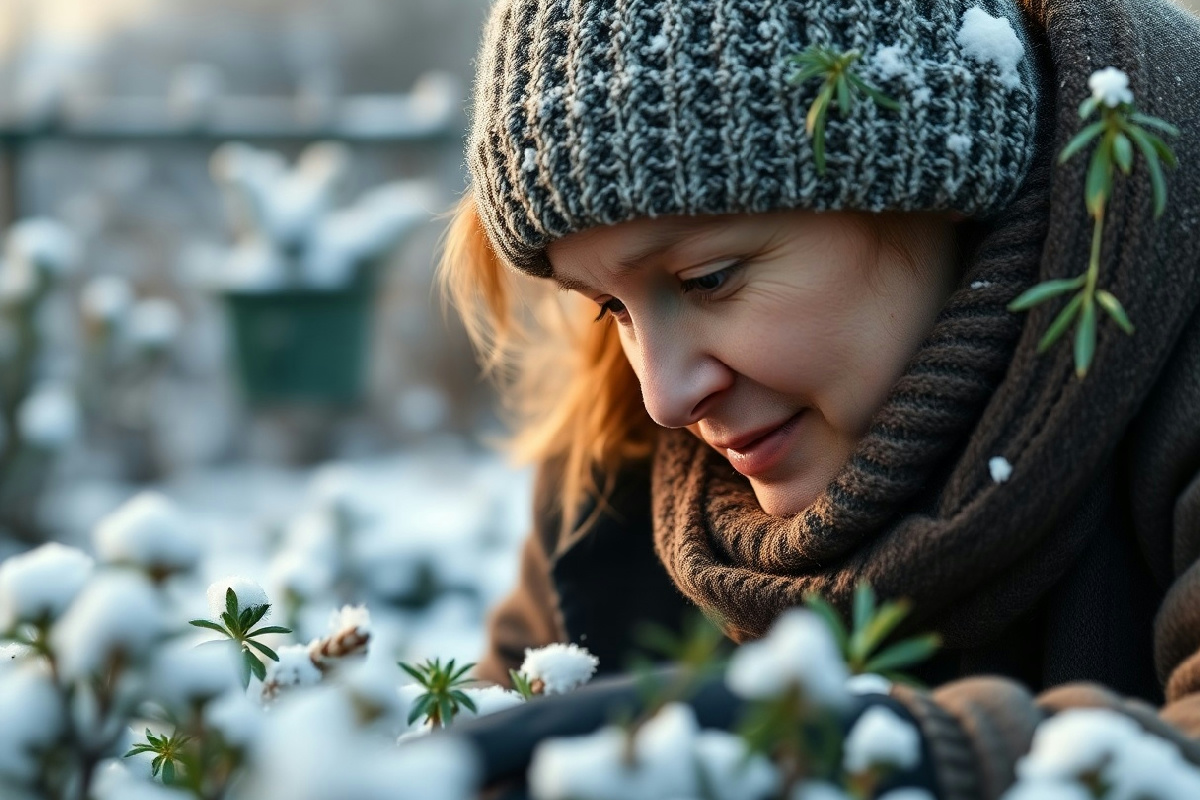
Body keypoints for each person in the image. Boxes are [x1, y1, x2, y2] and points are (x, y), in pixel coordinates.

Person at [438, 0, 1200, 794]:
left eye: (710, 279)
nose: (664, 396)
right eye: (612, 309)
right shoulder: (615, 463)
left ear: (923, 172)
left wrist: (905, 756)